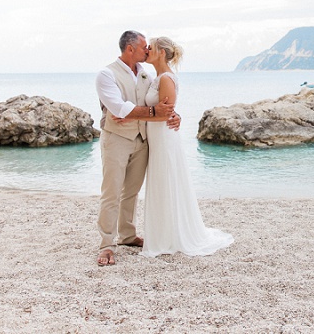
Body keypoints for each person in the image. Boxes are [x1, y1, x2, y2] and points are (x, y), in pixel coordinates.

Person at [128, 36, 233, 257]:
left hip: (164, 137)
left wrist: (150, 116)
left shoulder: (166, 78)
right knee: (161, 181)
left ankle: (170, 236)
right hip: (157, 137)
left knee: (166, 180)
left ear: (162, 54)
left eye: (151, 48)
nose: (147, 51)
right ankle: (164, 233)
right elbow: (165, 112)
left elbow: (165, 113)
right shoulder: (157, 78)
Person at [95, 30, 179, 267]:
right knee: (111, 192)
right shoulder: (106, 74)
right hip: (116, 140)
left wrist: (174, 115)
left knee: (131, 192)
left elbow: (158, 101)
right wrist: (143, 112)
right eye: (144, 47)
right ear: (130, 48)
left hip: (142, 141)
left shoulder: (144, 74)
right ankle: (107, 245)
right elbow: (120, 108)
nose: (147, 50)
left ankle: (128, 235)